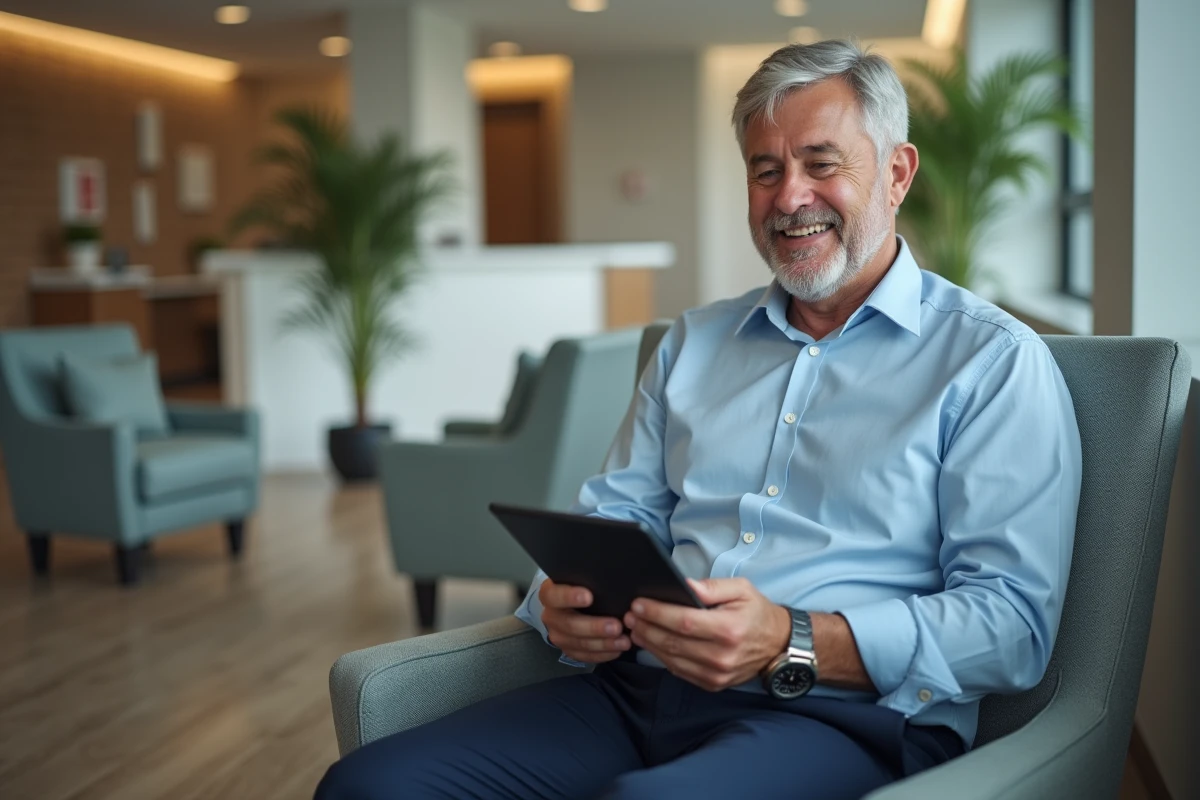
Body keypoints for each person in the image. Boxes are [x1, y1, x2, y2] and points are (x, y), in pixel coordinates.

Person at [315, 39, 1082, 800]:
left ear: (896, 173)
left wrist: (791, 637)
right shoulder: (694, 342)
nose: (789, 198)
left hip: (845, 718)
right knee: (370, 786)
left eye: (822, 164)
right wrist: (560, 605)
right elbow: (615, 517)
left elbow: (1010, 628)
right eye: (766, 170)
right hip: (634, 691)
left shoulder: (992, 362)